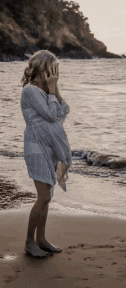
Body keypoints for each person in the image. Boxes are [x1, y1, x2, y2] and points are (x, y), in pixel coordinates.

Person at [20, 50, 72, 257]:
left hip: (49, 146)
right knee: (42, 197)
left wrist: (54, 87)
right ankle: (29, 242)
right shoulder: (30, 91)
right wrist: (52, 89)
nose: (54, 73)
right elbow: (52, 115)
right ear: (40, 69)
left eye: (55, 70)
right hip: (36, 146)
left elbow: (64, 111)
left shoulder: (47, 90)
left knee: (48, 196)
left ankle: (41, 239)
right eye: (51, 69)